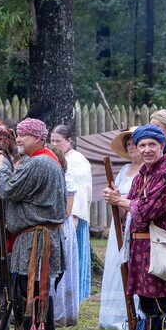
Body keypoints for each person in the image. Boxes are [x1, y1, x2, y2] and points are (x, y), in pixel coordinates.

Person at [104, 125, 166, 330]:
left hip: (159, 246)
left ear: (162, 146)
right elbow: (133, 212)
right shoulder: (141, 175)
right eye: (142, 145)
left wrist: (123, 202)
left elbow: (147, 211)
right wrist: (119, 201)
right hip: (139, 247)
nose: (147, 150)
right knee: (148, 305)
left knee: (163, 305)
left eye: (152, 144)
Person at [0, 118, 67, 330]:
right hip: (30, 235)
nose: (19, 139)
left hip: (37, 236)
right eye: (18, 134)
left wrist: (0, 166)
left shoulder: (40, 162)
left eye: (25, 135)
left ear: (39, 138)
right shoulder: (38, 161)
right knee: (25, 288)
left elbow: (9, 189)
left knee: (36, 287)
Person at [99, 128, 140, 330]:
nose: (131, 146)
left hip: (139, 224)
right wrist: (112, 197)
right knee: (118, 265)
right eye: (128, 143)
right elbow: (118, 197)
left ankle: (135, 315)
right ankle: (117, 315)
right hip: (121, 225)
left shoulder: (148, 171)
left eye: (135, 142)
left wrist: (122, 202)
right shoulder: (125, 170)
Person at [50, 125, 93, 302]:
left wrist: (72, 221)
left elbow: (79, 195)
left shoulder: (77, 161)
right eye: (51, 140)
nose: (53, 144)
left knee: (71, 262)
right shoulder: (58, 159)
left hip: (71, 220)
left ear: (69, 141)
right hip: (60, 219)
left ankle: (72, 299)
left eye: (58, 141)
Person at [48, 145, 79, 327]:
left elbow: (67, 210)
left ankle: (61, 313)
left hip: (60, 227)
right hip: (49, 225)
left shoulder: (66, 180)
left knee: (60, 269)